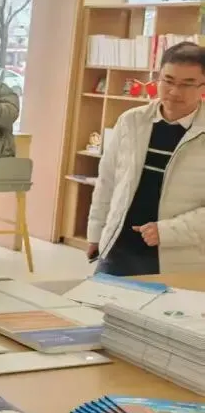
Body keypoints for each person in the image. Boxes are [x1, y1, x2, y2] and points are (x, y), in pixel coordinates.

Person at [88, 42, 205, 275]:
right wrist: (96, 233)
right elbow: (107, 182)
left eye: (187, 84)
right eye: (168, 81)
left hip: (178, 258)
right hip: (117, 249)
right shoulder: (131, 121)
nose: (174, 92)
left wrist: (167, 232)